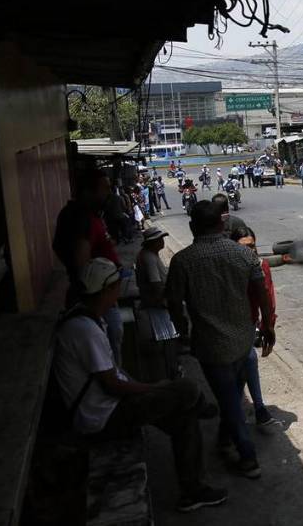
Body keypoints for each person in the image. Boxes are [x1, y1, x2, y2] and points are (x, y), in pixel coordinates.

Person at [53, 258, 226, 512]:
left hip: (109, 407)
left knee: (183, 417)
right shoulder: (85, 330)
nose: (118, 290)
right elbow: (113, 384)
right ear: (106, 290)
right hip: (103, 418)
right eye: (116, 286)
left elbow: (115, 376)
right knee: (186, 389)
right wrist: (153, 389)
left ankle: (193, 491)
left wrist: (149, 388)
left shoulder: (87, 320)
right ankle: (198, 411)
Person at [166, 200, 276, 479]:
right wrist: (267, 326)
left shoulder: (182, 261)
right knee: (233, 398)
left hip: (211, 347)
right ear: (221, 225)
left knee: (230, 402)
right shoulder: (242, 255)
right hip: (242, 342)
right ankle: (224, 441)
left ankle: (249, 459)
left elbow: (173, 303)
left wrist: (182, 334)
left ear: (192, 226)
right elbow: (261, 290)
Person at [53, 168, 126, 363]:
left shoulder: (87, 215)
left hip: (103, 297)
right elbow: (81, 265)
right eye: (105, 188)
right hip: (98, 300)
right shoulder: (80, 218)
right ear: (87, 192)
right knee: (108, 351)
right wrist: (95, 294)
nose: (109, 193)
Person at [230, 225, 283, 432]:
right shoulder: (227, 266)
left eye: (252, 246)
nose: (249, 251)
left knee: (248, 363)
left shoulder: (261, 265)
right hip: (227, 325)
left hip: (249, 325)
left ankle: (255, 411)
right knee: (241, 369)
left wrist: (268, 326)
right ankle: (240, 416)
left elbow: (268, 298)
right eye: (244, 247)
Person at [135, 227, 181, 380]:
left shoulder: (148, 255)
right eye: (160, 239)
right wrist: (166, 301)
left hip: (155, 302)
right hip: (157, 304)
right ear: (153, 242)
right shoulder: (149, 258)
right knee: (168, 338)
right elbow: (156, 284)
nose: (162, 242)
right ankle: (171, 371)